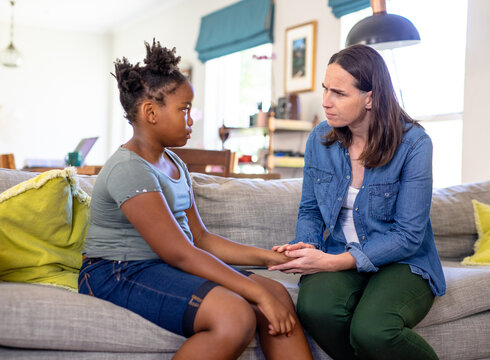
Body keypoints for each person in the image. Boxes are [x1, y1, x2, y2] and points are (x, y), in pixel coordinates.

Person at [78, 40, 312, 360]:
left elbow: (200, 238)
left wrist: (274, 259)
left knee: (277, 293)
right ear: (150, 112)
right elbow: (181, 254)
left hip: (162, 266)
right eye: (184, 109)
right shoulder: (128, 169)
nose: (191, 119)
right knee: (236, 315)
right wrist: (255, 290)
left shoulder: (175, 164)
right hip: (117, 272)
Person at [270, 44, 446, 360]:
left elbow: (408, 236)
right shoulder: (319, 139)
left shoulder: (415, 144)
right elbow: (310, 208)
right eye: (325, 89)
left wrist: (333, 262)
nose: (325, 102)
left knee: (372, 330)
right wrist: (308, 249)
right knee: (315, 309)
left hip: (403, 261)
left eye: (338, 93)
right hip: (338, 250)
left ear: (370, 97)